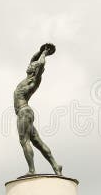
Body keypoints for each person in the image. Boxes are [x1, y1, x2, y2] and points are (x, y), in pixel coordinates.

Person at [13, 43, 63, 176]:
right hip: (25, 112)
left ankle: (32, 170)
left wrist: (45, 54)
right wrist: (40, 51)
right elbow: (33, 60)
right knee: (38, 142)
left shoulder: (33, 80)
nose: (29, 65)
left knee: (24, 140)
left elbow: (39, 65)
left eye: (31, 66)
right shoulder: (28, 78)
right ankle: (55, 165)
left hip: (24, 112)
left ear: (34, 71)